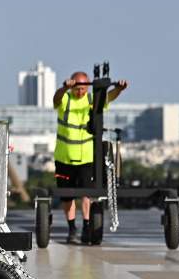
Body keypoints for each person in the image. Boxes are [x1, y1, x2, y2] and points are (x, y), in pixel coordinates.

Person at [53, 71, 128, 244]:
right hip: (64, 157)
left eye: (83, 89)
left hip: (86, 157)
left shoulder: (90, 100)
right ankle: (72, 228)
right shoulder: (66, 98)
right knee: (66, 197)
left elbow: (108, 98)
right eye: (77, 89)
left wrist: (119, 89)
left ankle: (87, 225)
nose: (80, 92)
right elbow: (56, 99)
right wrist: (64, 87)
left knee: (87, 193)